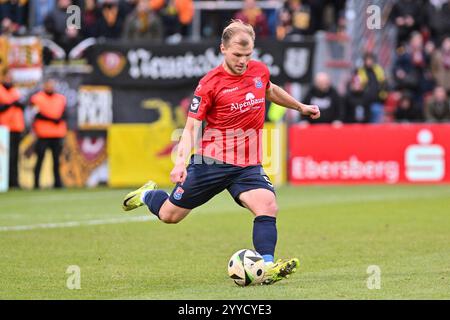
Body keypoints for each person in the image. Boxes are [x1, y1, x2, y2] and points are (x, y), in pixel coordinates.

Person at [121, 19, 320, 285]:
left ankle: (267, 266)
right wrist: (180, 163)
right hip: (210, 162)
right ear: (223, 49)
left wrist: (300, 107)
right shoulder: (209, 84)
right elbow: (191, 128)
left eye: (247, 55)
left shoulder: (258, 71)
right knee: (170, 215)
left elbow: (270, 91)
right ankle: (147, 194)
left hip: (248, 165)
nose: (243, 61)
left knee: (268, 205)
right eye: (237, 55)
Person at [30, 79, 67, 189]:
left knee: (56, 160)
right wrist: (52, 119)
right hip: (43, 134)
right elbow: (36, 115)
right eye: (48, 85)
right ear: (44, 86)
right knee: (40, 159)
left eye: (52, 85)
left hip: (57, 134)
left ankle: (58, 183)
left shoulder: (61, 99)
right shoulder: (36, 98)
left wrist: (59, 119)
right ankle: (36, 183)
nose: (50, 87)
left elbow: (65, 114)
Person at [0, 72, 25, 188]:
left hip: (16, 127)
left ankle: (13, 182)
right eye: (7, 77)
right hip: (3, 129)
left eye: (11, 78)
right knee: (4, 157)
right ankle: (3, 182)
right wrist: (10, 104)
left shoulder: (16, 91)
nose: (9, 80)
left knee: (14, 156)